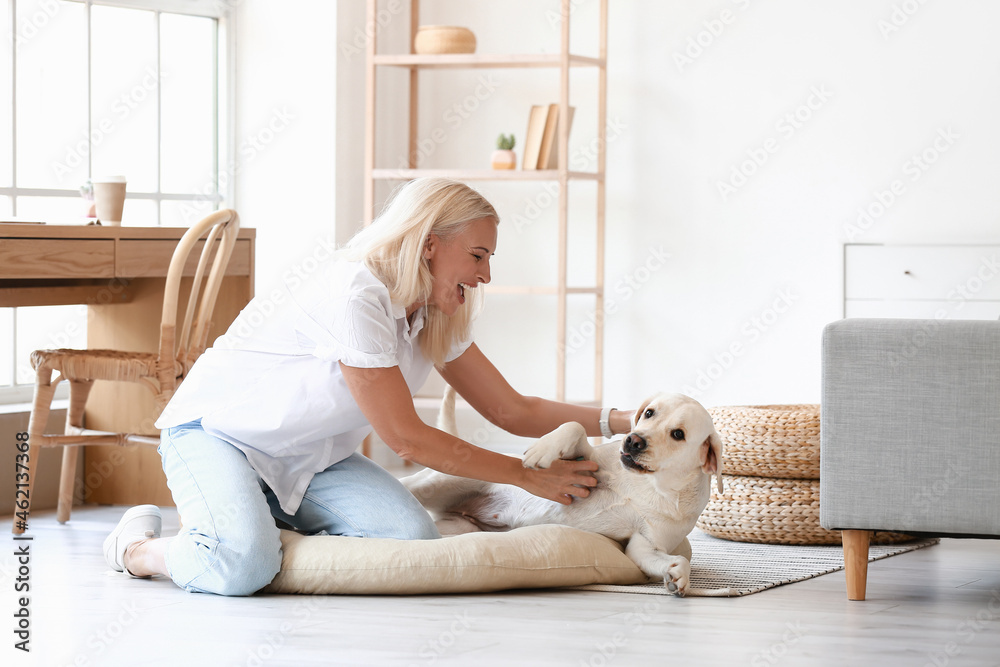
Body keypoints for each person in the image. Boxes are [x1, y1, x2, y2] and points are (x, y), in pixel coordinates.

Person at [102, 178, 635, 596]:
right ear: (429, 245)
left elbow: (510, 408)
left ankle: (248, 522)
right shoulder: (353, 292)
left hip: (312, 458)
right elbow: (407, 439)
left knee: (409, 541)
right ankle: (139, 547)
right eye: (477, 256)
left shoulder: (433, 315)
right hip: (217, 436)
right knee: (244, 567)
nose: (486, 276)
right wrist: (525, 476)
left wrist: (625, 422)